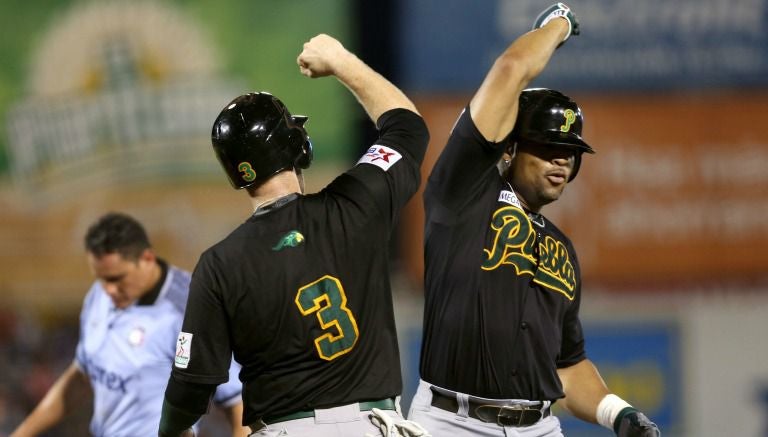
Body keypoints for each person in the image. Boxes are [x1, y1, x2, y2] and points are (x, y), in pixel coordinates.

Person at [157, 33, 431, 437]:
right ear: (297, 146)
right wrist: (340, 60)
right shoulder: (356, 205)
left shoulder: (220, 263)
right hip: (371, 426)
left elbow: (190, 387)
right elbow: (407, 129)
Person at [409, 3, 661, 437]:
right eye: (546, 146)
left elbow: (566, 366)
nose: (561, 158)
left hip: (538, 426)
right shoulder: (464, 195)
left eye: (570, 151)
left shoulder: (561, 249)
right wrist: (558, 22)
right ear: (509, 150)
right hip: (449, 422)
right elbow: (511, 69)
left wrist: (620, 415)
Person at [11, 212, 248, 437]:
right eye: (101, 278)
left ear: (146, 259)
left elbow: (239, 406)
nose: (108, 289)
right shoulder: (99, 296)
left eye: (116, 278)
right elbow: (83, 376)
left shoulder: (189, 312)